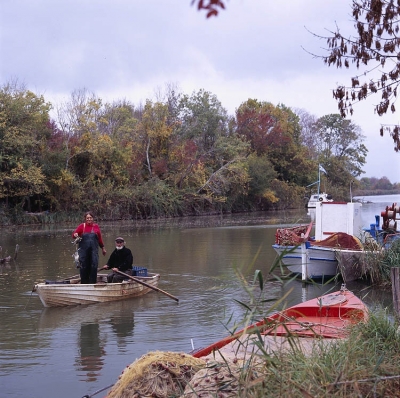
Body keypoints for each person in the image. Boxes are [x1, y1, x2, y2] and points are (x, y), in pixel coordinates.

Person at [72, 211, 107, 284]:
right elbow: (73, 235)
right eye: (87, 218)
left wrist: (103, 248)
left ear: (93, 218)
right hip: (83, 252)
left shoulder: (96, 227)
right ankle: (84, 284)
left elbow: (100, 238)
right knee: (84, 267)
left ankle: (93, 283)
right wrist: (75, 234)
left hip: (94, 252)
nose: (89, 219)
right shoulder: (82, 226)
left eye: (90, 218)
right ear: (85, 219)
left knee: (94, 266)